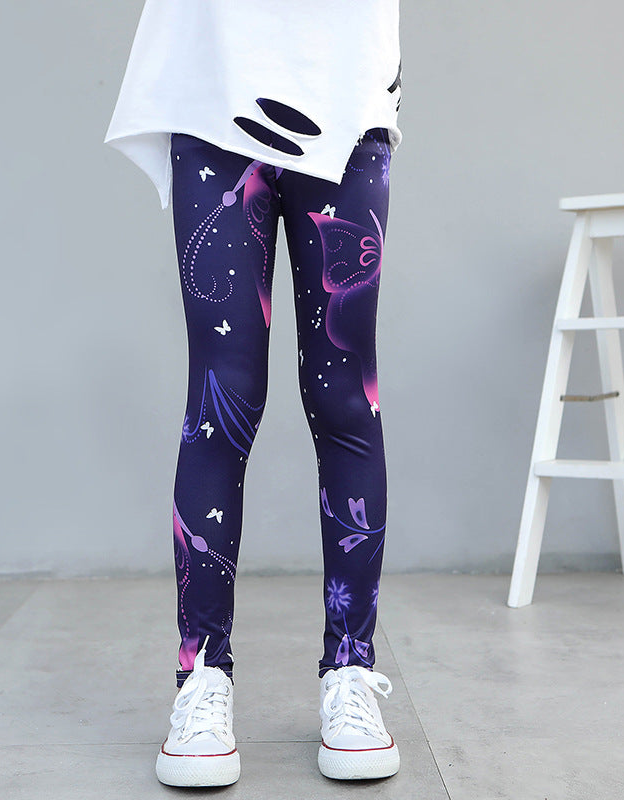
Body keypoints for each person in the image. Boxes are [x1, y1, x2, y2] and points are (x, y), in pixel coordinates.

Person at [103, 0, 403, 787]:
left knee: (346, 400)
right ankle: (202, 675)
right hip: (216, 93)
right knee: (220, 399)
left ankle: (351, 669)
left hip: (345, 96)